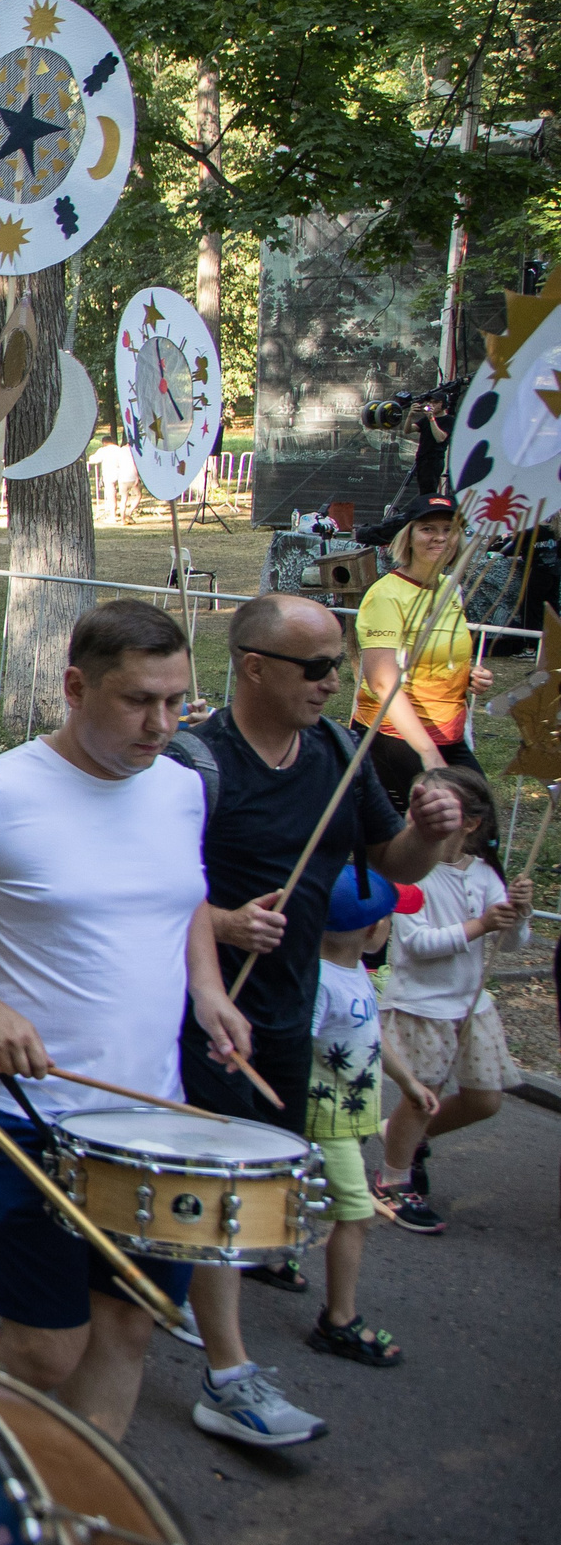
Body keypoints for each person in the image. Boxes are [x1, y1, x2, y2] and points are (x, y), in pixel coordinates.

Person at [0, 600, 256, 1443]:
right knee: (44, 1347)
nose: (161, 723)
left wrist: (209, 988)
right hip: (31, 1116)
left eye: (177, 701)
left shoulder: (178, 787)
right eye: (137, 700)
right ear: (73, 686)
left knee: (129, 1327)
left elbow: (185, 897)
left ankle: (86, 1524)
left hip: (154, 1119)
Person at [173, 589, 455, 1415]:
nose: (335, 681)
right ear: (255, 667)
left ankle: (165, 1293)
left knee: (251, 1181)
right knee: (217, 1187)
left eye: (339, 663)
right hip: (201, 1010)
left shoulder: (336, 749)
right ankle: (228, 1372)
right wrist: (221, 923)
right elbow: (141, 887)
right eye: (320, 666)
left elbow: (393, 861)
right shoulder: (196, 762)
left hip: (291, 1009)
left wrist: (430, 830)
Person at [375, 765, 531, 1233]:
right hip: (422, 1006)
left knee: (485, 1100)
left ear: (469, 823)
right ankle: (393, 1181)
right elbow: (416, 945)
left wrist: (516, 917)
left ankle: (401, 1138)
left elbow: (513, 944)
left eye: (436, 805)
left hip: (471, 1006)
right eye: (415, 805)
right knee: (421, 1100)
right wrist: (480, 925)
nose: (417, 814)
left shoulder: (484, 873)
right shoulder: (411, 875)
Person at [302, 866, 430, 1367]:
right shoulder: (321, 982)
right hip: (324, 1119)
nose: (390, 927)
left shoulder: (355, 972)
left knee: (304, 1196)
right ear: (371, 930)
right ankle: (338, 1321)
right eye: (387, 920)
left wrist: (408, 1081)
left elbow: (372, 1035)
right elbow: (295, 1046)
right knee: (355, 1215)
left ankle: (275, 1256)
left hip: (348, 1117)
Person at [353, 495, 492, 803]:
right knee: (440, 823)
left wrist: (469, 675)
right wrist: (427, 753)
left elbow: (438, 654)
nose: (440, 537)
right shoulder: (386, 595)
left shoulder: (448, 588)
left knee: (477, 817)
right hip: (396, 735)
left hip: (447, 731)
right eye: (428, 529)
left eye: (449, 529)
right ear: (409, 537)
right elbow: (381, 680)